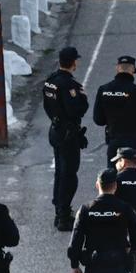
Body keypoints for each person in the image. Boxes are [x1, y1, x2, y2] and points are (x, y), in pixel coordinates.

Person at [43, 46, 89, 232]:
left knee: (60, 173)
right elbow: (75, 110)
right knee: (69, 174)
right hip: (67, 134)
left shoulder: (50, 82)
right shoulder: (69, 85)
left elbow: (47, 107)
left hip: (55, 129)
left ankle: (59, 209)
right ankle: (63, 215)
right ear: (73, 62)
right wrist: (83, 99)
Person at [92, 55, 136, 170]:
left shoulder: (104, 90)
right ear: (133, 69)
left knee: (113, 180)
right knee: (135, 180)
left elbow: (98, 120)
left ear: (117, 68)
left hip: (115, 143)